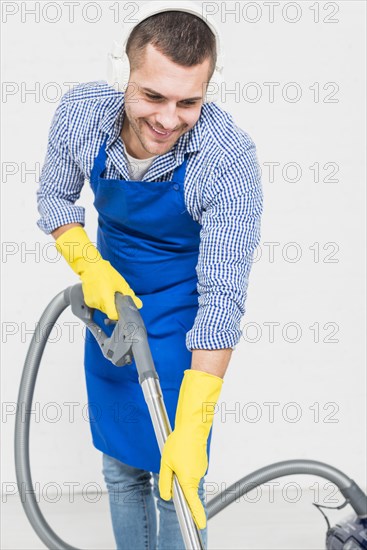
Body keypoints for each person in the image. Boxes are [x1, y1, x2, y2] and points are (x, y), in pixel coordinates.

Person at [36, 3, 263, 549]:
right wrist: (89, 266)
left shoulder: (226, 157)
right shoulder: (83, 115)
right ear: (124, 77)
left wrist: (195, 423)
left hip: (187, 317)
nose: (168, 119)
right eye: (153, 96)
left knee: (178, 479)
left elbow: (223, 298)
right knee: (121, 471)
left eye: (189, 101)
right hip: (114, 304)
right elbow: (54, 197)